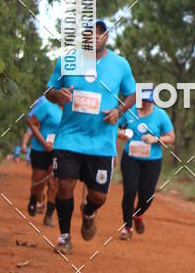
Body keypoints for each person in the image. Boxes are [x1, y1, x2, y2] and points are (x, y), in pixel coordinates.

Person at [46, 19, 136, 254]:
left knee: (99, 195)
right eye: (90, 33)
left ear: (106, 37)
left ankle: (88, 211)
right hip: (68, 138)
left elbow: (131, 95)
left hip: (101, 142)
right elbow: (49, 90)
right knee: (64, 186)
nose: (95, 37)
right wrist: (58, 95)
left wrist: (119, 110)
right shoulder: (66, 61)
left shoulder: (120, 64)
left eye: (100, 33)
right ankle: (64, 237)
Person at [117, 86, 174, 240]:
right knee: (129, 191)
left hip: (152, 161)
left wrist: (157, 139)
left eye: (149, 101)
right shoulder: (130, 111)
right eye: (143, 100)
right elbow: (114, 126)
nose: (146, 104)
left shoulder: (160, 115)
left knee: (147, 196)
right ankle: (127, 227)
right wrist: (121, 133)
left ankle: (138, 214)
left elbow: (171, 137)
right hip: (131, 157)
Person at [26, 95, 63, 226]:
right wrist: (44, 143)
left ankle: (48, 216)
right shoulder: (47, 104)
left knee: (54, 183)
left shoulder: (72, 110)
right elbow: (30, 122)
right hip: (40, 149)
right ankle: (33, 198)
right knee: (39, 181)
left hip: (58, 151)